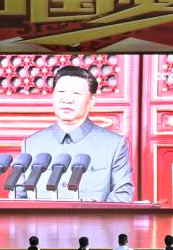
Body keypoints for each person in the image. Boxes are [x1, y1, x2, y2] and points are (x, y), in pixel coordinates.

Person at [19, 65, 134, 202]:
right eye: (61, 92)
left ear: (92, 101)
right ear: (52, 97)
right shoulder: (31, 144)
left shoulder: (114, 145)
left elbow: (121, 196)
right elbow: (18, 197)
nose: (67, 99)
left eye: (76, 93)